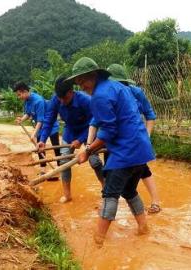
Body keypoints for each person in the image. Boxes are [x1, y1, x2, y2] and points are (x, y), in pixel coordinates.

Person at [68, 57, 155, 245]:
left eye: (82, 81)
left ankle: (97, 242)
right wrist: (90, 147)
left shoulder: (100, 96)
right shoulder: (117, 87)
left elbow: (108, 130)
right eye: (77, 83)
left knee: (109, 194)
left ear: (93, 76)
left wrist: (88, 150)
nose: (81, 86)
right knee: (129, 190)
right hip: (141, 149)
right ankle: (144, 228)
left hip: (127, 152)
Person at [87, 63, 161, 214]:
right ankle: (109, 200)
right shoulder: (106, 94)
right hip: (113, 141)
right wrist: (89, 146)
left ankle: (155, 201)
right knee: (110, 171)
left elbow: (150, 115)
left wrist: (146, 136)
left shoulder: (135, 92)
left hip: (132, 141)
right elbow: (95, 122)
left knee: (143, 170)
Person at [37, 76, 105, 203]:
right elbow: (49, 120)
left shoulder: (86, 101)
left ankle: (105, 189)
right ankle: (67, 195)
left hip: (88, 131)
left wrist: (81, 140)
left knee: (95, 161)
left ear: (71, 92)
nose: (62, 101)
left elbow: (95, 123)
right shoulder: (56, 100)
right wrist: (42, 139)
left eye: (65, 98)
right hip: (69, 131)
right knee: (64, 161)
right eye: (59, 98)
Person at [13, 82, 60, 175]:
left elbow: (40, 120)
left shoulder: (38, 101)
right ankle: (43, 171)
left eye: (19, 94)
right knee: (40, 148)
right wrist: (21, 119)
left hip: (50, 126)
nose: (19, 97)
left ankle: (61, 168)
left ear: (25, 91)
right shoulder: (27, 100)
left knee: (56, 147)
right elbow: (29, 113)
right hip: (40, 128)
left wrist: (33, 134)